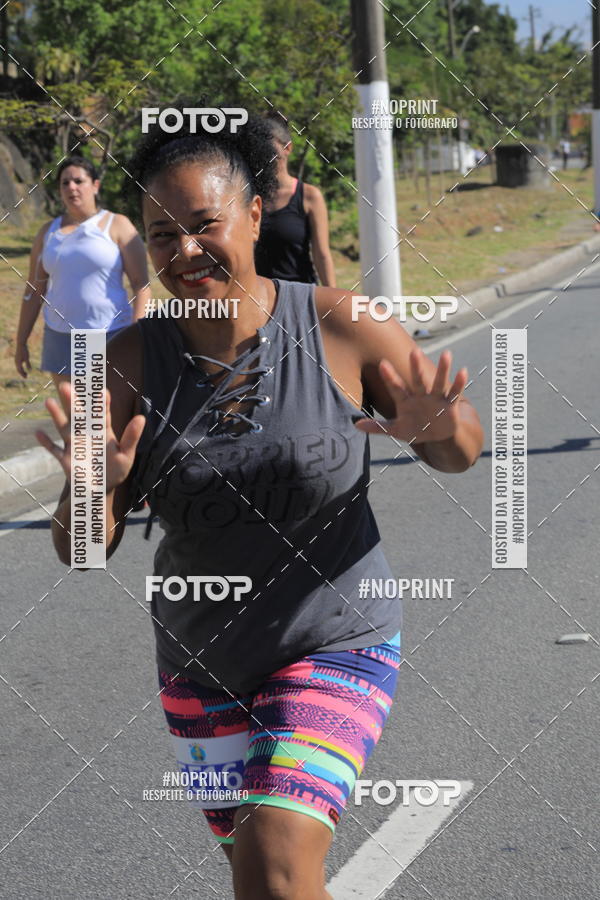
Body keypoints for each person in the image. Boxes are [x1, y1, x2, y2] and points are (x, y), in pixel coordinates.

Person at [37, 113, 483, 900]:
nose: (185, 252)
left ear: (253, 214)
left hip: (339, 639)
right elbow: (81, 550)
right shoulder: (127, 364)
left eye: (204, 225)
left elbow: (462, 449)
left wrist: (435, 430)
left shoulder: (346, 327)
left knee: (274, 857)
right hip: (201, 664)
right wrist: (93, 488)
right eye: (162, 234)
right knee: (265, 874)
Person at [14, 155, 151, 411]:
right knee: (78, 421)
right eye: (65, 183)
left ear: (95, 185)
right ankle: (79, 452)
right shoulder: (47, 232)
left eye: (79, 181)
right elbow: (34, 290)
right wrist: (21, 342)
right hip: (60, 337)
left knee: (107, 417)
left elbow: (142, 285)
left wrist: (136, 335)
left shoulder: (117, 225)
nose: (71, 188)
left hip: (110, 334)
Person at [254, 112, 336, 285]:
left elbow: (322, 255)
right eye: (260, 145)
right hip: (262, 300)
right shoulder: (250, 196)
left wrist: (332, 302)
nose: (264, 151)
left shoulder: (309, 196)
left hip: (302, 295)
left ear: (288, 148)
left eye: (270, 143)